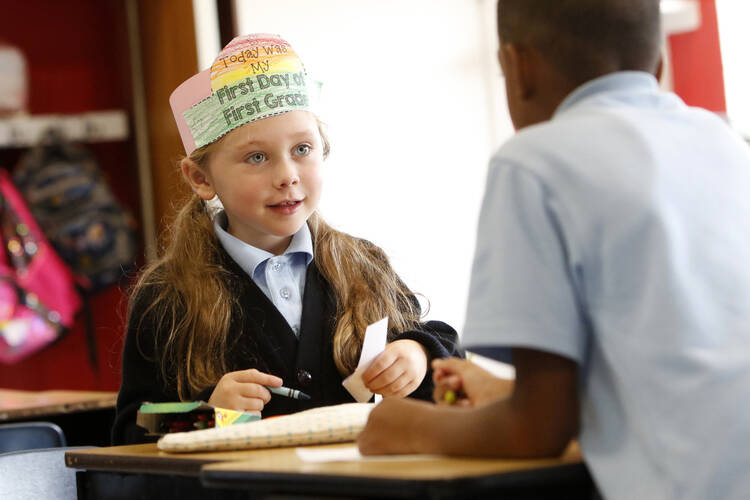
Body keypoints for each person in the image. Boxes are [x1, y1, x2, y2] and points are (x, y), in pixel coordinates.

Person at [357, 1, 750, 499]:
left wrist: (406, 426)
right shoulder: (725, 143)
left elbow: (536, 430)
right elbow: (683, 380)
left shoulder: (533, 163)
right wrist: (504, 393)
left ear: (518, 68)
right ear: (657, 66)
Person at [112, 34, 459, 445]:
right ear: (201, 179)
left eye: (302, 149)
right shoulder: (167, 295)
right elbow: (132, 431)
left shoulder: (364, 264)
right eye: (257, 157)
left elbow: (450, 375)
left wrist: (418, 357)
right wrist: (209, 415)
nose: (287, 175)